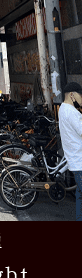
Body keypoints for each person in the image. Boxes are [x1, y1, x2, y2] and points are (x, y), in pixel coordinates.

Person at [58, 81, 82, 221]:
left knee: (79, 196)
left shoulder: (63, 108)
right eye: (81, 96)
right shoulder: (72, 112)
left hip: (75, 159)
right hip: (79, 160)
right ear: (72, 95)